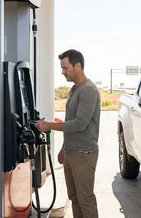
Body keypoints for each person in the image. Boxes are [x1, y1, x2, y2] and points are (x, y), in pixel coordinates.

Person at [35, 49, 101, 218]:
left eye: (65, 68)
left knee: (85, 199)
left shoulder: (88, 90)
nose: (62, 72)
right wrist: (64, 148)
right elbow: (70, 120)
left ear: (77, 66)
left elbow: (80, 124)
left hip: (84, 154)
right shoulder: (74, 89)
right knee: (74, 198)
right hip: (72, 153)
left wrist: (49, 125)